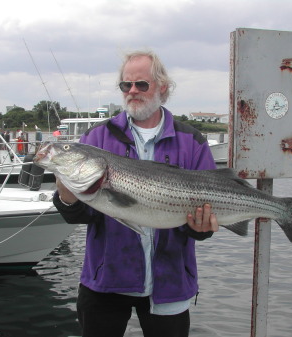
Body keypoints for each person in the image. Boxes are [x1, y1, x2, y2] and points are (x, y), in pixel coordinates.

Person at [53, 50, 219, 337]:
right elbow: (82, 215)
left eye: (141, 84)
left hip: (170, 281)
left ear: (162, 87)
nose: (132, 91)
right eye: (125, 85)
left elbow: (203, 223)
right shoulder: (96, 139)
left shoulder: (192, 141)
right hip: (105, 279)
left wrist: (202, 229)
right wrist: (66, 196)